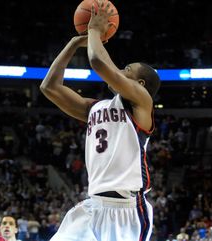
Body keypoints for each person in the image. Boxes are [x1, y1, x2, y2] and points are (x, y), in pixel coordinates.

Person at [39, 0, 160, 240]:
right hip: (93, 205)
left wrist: (94, 30)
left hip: (127, 209)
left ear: (140, 83)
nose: (120, 70)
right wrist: (73, 44)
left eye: (127, 68)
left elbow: (98, 62)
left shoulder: (141, 102)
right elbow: (49, 87)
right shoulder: (96, 107)